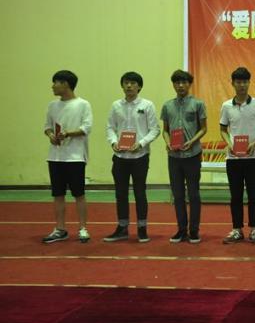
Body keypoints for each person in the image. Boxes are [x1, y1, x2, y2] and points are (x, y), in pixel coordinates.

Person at [104, 72, 160, 243]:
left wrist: (141, 144)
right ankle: (122, 228)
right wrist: (113, 142)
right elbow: (110, 127)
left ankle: (142, 228)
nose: (129, 86)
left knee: (140, 192)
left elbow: (155, 129)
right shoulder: (116, 105)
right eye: (126, 83)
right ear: (122, 86)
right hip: (120, 156)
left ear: (139, 86)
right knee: (120, 193)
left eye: (133, 83)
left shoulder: (147, 105)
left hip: (140, 156)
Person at [220, 67, 255, 245]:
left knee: (254, 195)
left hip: (253, 157)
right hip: (233, 158)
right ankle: (237, 230)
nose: (242, 85)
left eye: (245, 82)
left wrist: (254, 143)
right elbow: (223, 129)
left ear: (249, 83)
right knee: (236, 196)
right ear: (233, 83)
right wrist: (230, 144)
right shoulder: (226, 106)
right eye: (238, 82)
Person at [42, 70, 93, 244]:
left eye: (56, 83)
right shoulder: (52, 106)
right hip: (55, 157)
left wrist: (68, 134)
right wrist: (51, 135)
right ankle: (60, 229)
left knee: (79, 194)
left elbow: (86, 127)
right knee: (58, 194)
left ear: (66, 84)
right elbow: (47, 127)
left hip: (75, 157)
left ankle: (83, 228)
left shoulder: (83, 104)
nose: (53, 86)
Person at [160, 70, 207, 244]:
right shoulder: (167, 106)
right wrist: (167, 142)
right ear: (173, 85)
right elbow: (165, 130)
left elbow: (204, 128)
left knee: (193, 194)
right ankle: (181, 229)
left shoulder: (198, 104)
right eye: (177, 82)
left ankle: (194, 230)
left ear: (189, 84)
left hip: (192, 155)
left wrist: (192, 142)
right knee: (178, 195)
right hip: (174, 156)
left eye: (184, 82)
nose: (180, 85)